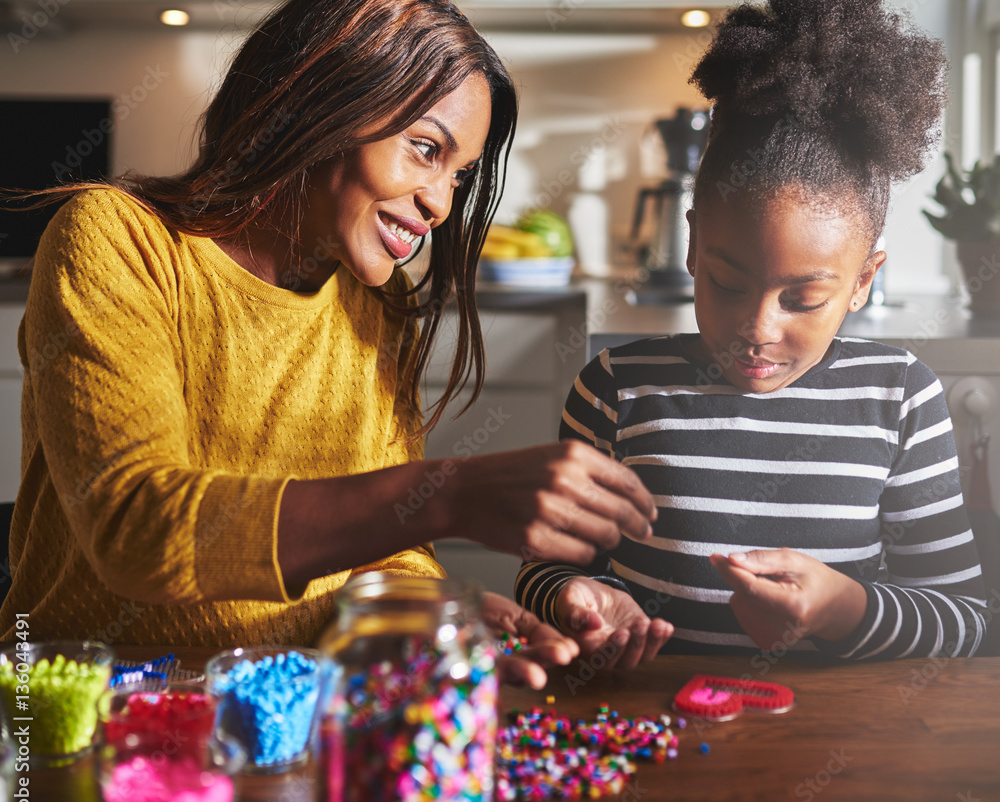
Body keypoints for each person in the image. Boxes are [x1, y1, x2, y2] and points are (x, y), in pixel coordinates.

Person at [0, 0, 659, 688]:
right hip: (80, 714)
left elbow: (385, 561)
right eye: (427, 149)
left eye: (458, 175)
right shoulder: (117, 239)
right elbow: (137, 527)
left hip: (286, 714)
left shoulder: (379, 310)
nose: (440, 201)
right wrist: (449, 491)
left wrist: (439, 615)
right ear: (324, 105)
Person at [516, 0, 989, 665]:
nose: (756, 328)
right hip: (664, 738)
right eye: (729, 284)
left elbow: (963, 621)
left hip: (843, 749)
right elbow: (541, 570)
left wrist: (842, 608)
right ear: (692, 246)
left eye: (802, 299)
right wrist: (579, 599)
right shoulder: (615, 390)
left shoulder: (902, 399)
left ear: (862, 281)